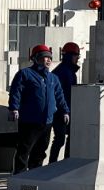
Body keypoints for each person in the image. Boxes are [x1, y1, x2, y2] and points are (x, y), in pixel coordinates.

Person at [9, 44, 70, 174]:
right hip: (29, 121)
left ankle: (35, 174)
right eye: (44, 57)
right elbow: (16, 92)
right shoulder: (25, 74)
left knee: (41, 151)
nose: (48, 60)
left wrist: (65, 111)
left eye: (50, 58)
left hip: (47, 122)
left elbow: (59, 96)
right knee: (24, 150)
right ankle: (19, 175)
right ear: (35, 59)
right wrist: (14, 108)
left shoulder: (53, 78)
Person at [47, 41, 83, 165]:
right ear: (69, 56)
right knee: (60, 139)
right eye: (76, 56)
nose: (77, 58)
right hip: (61, 111)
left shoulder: (68, 71)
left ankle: (62, 162)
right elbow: (60, 94)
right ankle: (55, 164)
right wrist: (64, 110)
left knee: (65, 138)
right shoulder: (63, 72)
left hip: (65, 110)